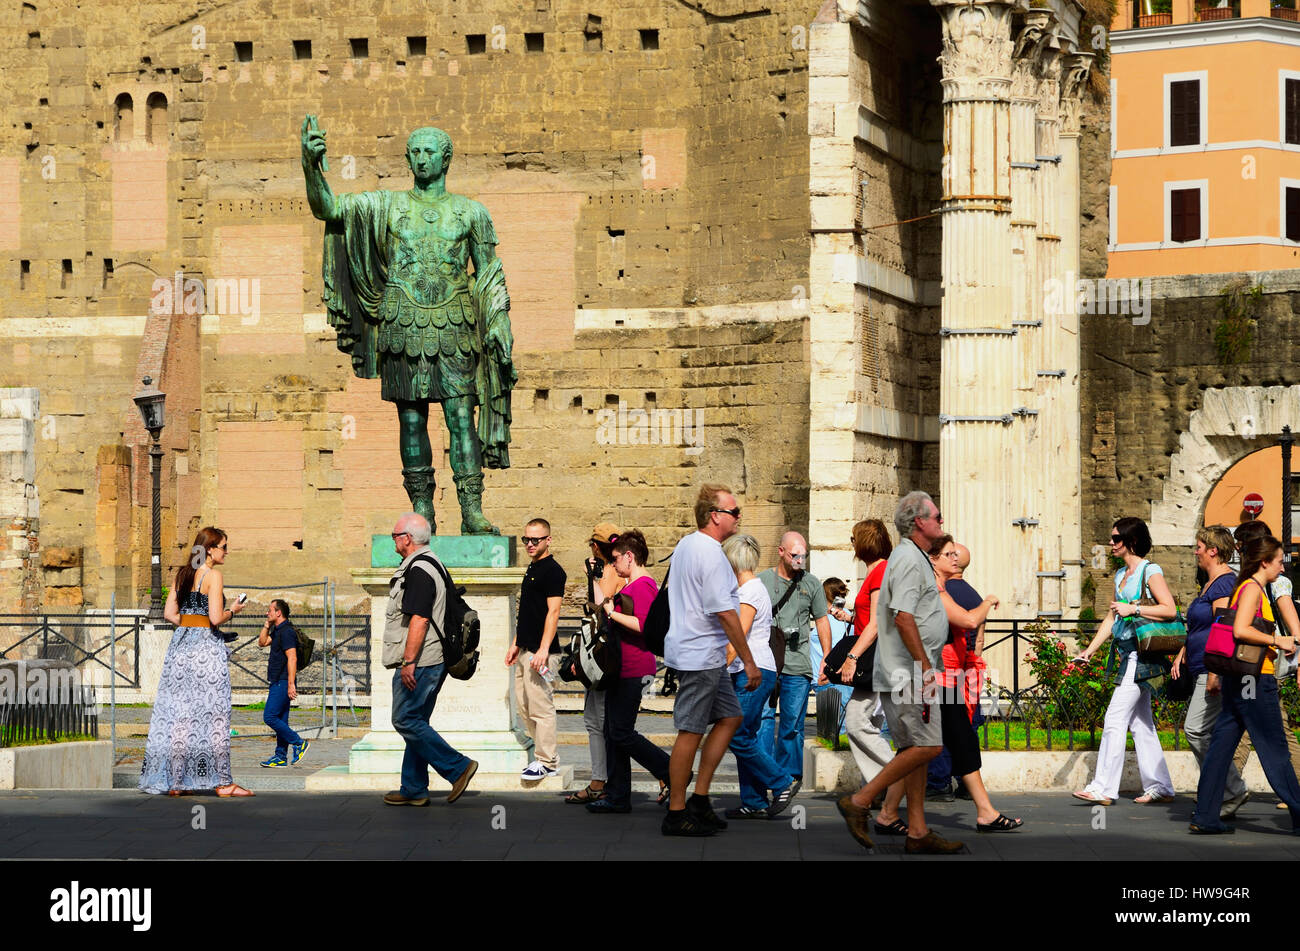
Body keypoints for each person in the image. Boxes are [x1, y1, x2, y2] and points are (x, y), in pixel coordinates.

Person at [301, 117, 515, 533]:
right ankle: (423, 509)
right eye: (414, 152)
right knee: (411, 421)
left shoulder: (471, 212)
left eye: (429, 151)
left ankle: (471, 511)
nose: (421, 159)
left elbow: (490, 274)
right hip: (403, 324)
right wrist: (312, 165)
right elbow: (327, 209)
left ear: (446, 158)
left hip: (455, 326)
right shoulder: (388, 206)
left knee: (460, 418)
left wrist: (499, 320)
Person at [837, 491, 965, 855]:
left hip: (911, 671)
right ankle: (860, 801)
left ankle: (918, 831)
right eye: (937, 517)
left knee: (916, 748)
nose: (942, 521)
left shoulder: (916, 557)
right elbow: (902, 615)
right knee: (928, 746)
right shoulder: (909, 559)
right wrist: (925, 664)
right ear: (919, 522)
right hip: (907, 673)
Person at [662, 484, 760, 837]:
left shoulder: (686, 545)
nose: (738, 517)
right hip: (699, 654)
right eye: (734, 512)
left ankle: (699, 799)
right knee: (690, 731)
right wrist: (748, 661)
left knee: (731, 717)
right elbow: (725, 613)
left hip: (704, 653)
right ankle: (676, 811)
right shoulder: (712, 554)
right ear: (714, 515)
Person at [1189, 535, 1300, 834]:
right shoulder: (1251, 588)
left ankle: (1206, 816)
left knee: (1220, 748)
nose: (1282, 568)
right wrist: (1277, 639)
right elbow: (1240, 630)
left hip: (1239, 679)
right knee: (1275, 749)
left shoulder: (1248, 587)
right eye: (1279, 562)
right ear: (1264, 562)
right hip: (1254, 678)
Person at [139, 526, 253, 797]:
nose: (227, 551)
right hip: (205, 651)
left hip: (180, 649)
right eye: (224, 546)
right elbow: (215, 618)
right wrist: (233, 610)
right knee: (216, 714)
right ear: (210, 549)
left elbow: (169, 614)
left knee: (181, 715)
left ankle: (177, 783)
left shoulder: (183, 574)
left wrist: (190, 624)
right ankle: (223, 783)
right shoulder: (213, 576)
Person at [1072, 516, 1176, 806]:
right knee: (1141, 723)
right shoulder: (1120, 576)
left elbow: (1169, 609)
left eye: (1116, 538)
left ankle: (1103, 787)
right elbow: (1111, 617)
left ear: (1131, 542)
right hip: (1127, 653)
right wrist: (1090, 650)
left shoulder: (1149, 570)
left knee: (1115, 718)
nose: (1110, 543)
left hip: (1143, 656)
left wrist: (1133, 608)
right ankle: (1161, 786)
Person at [382, 513, 478, 806]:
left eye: (395, 535)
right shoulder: (430, 563)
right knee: (417, 719)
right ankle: (413, 788)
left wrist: (408, 662)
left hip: (423, 660)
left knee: (405, 718)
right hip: (429, 658)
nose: (394, 540)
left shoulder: (420, 570)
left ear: (406, 538)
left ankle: (458, 766)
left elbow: (420, 620)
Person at [929, 536, 1021, 832]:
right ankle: (874, 802)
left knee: (935, 741)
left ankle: (885, 808)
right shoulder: (935, 590)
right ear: (933, 559)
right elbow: (970, 622)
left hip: (945, 673)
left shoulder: (941, 588)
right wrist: (988, 602)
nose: (953, 559)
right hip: (939, 674)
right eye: (947, 554)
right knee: (940, 740)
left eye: (955, 554)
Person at [586, 529, 672, 814]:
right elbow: (601, 604)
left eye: (615, 560)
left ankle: (669, 769)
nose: (613, 565)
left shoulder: (643, 586)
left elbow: (645, 625)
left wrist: (612, 614)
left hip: (634, 668)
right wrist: (593, 578)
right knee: (613, 732)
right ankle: (618, 795)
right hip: (622, 668)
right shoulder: (630, 585)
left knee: (621, 732)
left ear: (629, 557)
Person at [836, 518, 907, 835]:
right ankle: (878, 791)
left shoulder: (879, 572)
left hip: (878, 660)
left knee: (856, 721)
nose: (851, 544)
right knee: (872, 723)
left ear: (863, 542)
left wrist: (851, 656)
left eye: (853, 539)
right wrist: (849, 616)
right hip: (881, 658)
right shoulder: (879, 571)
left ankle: (892, 778)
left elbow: (877, 622)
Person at [1223, 519, 1300, 810]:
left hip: (1267, 662)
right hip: (1254, 663)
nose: (1239, 553)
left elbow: (1294, 626)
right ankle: (1229, 791)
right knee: (1256, 727)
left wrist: (1292, 652)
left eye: (1241, 547)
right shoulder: (1248, 581)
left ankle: (1229, 792)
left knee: (1264, 730)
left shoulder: (1275, 581)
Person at [721, 534, 798, 819]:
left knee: (736, 735)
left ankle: (781, 781)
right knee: (747, 735)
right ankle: (753, 801)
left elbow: (737, 636)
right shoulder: (751, 589)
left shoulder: (749, 591)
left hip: (751, 671)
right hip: (753, 670)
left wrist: (719, 670)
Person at [1170, 525, 1244, 818]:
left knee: (1196, 729)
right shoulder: (1209, 583)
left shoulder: (1224, 584)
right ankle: (1221, 793)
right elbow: (1200, 627)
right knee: (1211, 733)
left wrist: (1214, 672)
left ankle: (1231, 789)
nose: (1195, 551)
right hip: (1200, 665)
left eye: (1199, 546)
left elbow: (1223, 628)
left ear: (1213, 550)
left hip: (1213, 669)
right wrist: (1182, 653)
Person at [758, 531, 832, 793]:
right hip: (766, 661)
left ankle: (786, 781)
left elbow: (822, 620)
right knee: (764, 720)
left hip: (798, 664)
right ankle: (765, 774)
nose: (800, 560)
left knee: (792, 725)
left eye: (804, 555)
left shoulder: (811, 583)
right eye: (794, 555)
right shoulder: (762, 581)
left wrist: (826, 657)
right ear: (781, 551)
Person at [566, 522, 624, 804]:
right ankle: (600, 779)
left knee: (601, 723)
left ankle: (600, 781)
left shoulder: (611, 572)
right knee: (596, 721)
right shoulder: (612, 569)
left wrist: (592, 576)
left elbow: (600, 607)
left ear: (597, 546)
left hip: (603, 657)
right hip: (599, 654)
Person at [926, 542, 987, 800]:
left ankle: (939, 781)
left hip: (945, 667)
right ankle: (965, 783)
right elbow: (979, 638)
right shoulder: (974, 595)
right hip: (968, 665)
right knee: (966, 724)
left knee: (938, 725)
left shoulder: (941, 593)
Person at [508, 517, 566, 780]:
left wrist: (543, 649)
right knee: (522, 704)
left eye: (535, 540)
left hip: (542, 652)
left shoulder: (553, 571)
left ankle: (547, 761)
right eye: (526, 540)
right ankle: (543, 755)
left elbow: (553, 612)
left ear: (548, 540)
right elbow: (527, 613)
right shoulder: (531, 569)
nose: (530, 544)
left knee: (541, 706)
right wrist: (515, 643)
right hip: (525, 649)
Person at [257, 599, 309, 768]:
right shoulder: (278, 630)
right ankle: (280, 757)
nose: (267, 612)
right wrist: (267, 625)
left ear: (278, 612)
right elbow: (262, 643)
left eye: (270, 610)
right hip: (278, 680)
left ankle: (299, 742)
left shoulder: (286, 632)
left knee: (270, 716)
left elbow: (292, 657)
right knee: (281, 720)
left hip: (283, 680)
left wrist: (291, 684)